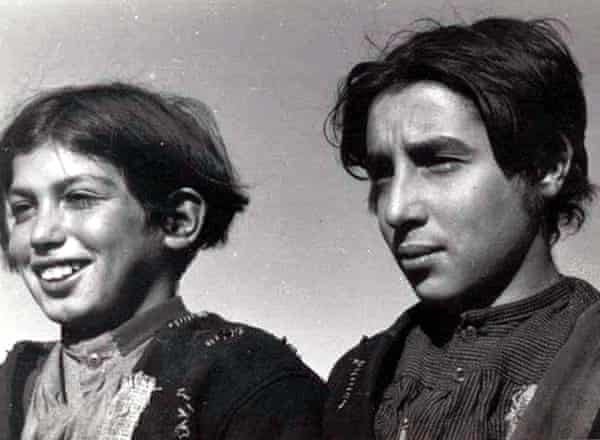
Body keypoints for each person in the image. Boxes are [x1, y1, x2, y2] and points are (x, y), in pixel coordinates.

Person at [323, 17, 600, 440]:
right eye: (382, 173)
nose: (396, 209)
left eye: (438, 162)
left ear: (547, 166)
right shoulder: (356, 379)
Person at [0, 82, 325, 440]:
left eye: (79, 198)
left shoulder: (251, 384)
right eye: (23, 209)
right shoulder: (13, 386)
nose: (41, 234)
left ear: (177, 221)